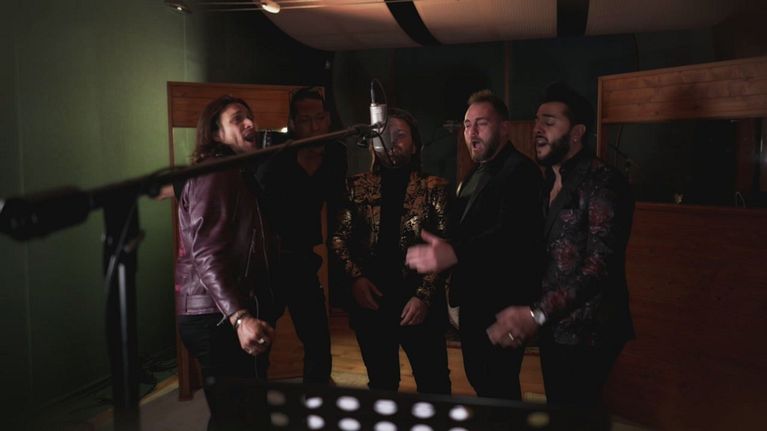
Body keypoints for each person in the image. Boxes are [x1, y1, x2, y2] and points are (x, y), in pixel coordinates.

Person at [486, 82, 635, 408]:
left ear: (577, 132)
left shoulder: (603, 182)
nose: (537, 129)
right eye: (537, 121)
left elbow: (598, 268)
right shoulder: (548, 183)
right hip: (555, 328)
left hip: (591, 332)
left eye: (549, 122)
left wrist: (536, 314)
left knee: (577, 416)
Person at [405, 90, 542, 400]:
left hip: (502, 303)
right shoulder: (475, 172)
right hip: (474, 300)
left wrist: (453, 251)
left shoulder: (520, 171)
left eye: (482, 123)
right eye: (467, 125)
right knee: (482, 381)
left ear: (504, 128)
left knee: (498, 388)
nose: (472, 132)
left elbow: (512, 236)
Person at [330, 108, 451, 395]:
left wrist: (423, 297)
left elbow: (445, 247)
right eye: (383, 136)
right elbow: (338, 239)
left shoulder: (434, 188)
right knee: (382, 384)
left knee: (434, 384)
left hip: (417, 298)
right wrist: (356, 279)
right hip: (372, 299)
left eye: (400, 135)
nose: (391, 142)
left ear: (414, 144)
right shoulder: (355, 186)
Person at [175, 95, 277, 429]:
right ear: (216, 134)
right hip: (215, 315)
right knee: (234, 417)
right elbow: (206, 252)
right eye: (237, 119)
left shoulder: (236, 172)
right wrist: (239, 317)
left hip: (224, 310)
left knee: (247, 413)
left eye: (250, 116)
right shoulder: (216, 172)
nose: (250, 123)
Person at [255, 87, 346, 384]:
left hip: (303, 259)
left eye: (319, 118)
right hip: (267, 263)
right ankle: (253, 401)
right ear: (293, 124)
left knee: (318, 341)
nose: (314, 126)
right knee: (259, 342)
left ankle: (316, 401)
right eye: (305, 120)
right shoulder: (274, 158)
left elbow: (338, 206)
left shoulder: (335, 154)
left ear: (328, 119)